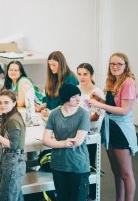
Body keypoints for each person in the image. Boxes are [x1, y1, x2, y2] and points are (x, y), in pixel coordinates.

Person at [88, 53, 137, 201]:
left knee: (126, 173)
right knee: (116, 171)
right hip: (110, 127)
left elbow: (124, 110)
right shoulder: (113, 81)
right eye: (112, 64)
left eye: (119, 64)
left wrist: (98, 104)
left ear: (125, 66)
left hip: (121, 130)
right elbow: (112, 105)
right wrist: (100, 99)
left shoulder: (128, 82)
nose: (115, 67)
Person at [43, 83, 90, 201]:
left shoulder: (83, 114)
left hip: (77, 165)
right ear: (65, 97)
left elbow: (78, 141)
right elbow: (46, 140)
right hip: (58, 164)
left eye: (78, 95)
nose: (78, 99)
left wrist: (56, 142)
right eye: (74, 96)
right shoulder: (54, 114)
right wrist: (63, 143)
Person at [76, 63, 105, 200]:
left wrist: (79, 120)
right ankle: (81, 192)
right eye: (79, 74)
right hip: (77, 132)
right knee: (79, 163)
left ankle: (92, 194)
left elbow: (96, 115)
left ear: (91, 75)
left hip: (92, 132)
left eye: (85, 74)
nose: (82, 77)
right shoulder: (76, 90)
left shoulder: (96, 92)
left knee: (91, 163)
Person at [36, 51, 78, 116]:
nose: (51, 68)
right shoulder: (53, 77)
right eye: (49, 65)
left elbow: (68, 104)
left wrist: (50, 113)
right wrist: (41, 107)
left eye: (54, 65)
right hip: (52, 117)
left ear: (61, 64)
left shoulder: (71, 79)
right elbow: (48, 100)